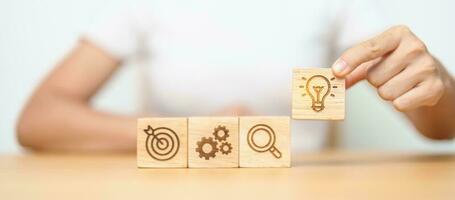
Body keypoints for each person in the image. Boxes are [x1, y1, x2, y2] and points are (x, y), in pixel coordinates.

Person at [16, 0, 455, 152]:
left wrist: (436, 82)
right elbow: (38, 120)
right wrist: (196, 135)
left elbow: (442, 128)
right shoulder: (144, 4)